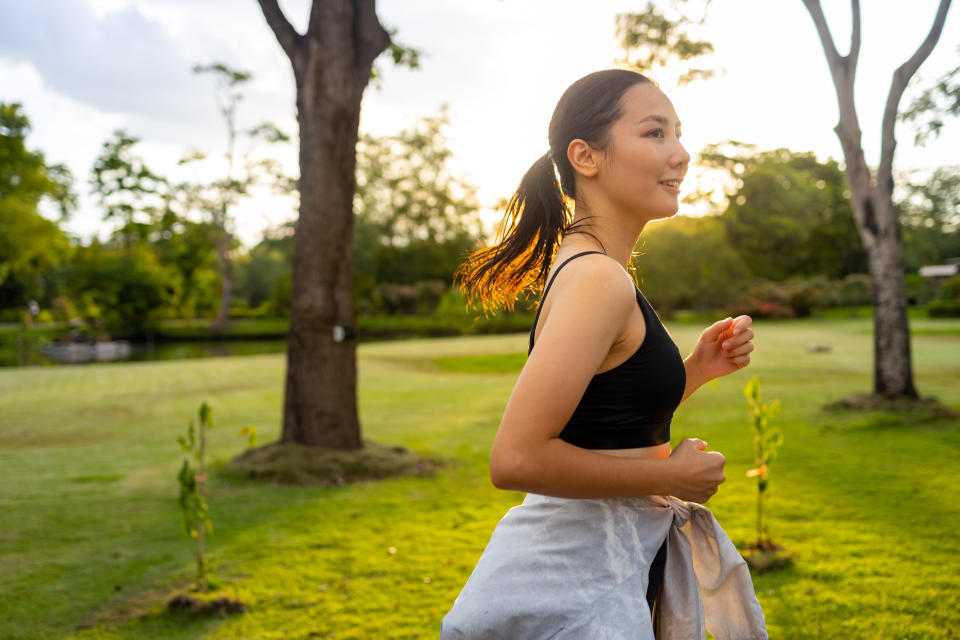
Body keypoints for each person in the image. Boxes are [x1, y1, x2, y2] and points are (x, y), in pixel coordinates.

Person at [439, 69, 768, 639]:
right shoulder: (598, 279)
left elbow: (602, 420)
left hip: (598, 566)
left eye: (678, 133)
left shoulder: (594, 268)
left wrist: (694, 371)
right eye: (655, 133)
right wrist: (673, 476)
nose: (682, 154)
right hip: (571, 583)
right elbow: (515, 460)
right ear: (586, 157)